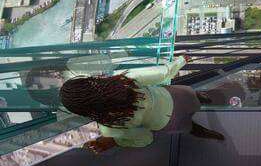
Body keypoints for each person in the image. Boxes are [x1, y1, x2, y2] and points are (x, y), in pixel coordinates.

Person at [60, 56, 224, 153]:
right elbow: (162, 74)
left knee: (194, 129)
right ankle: (213, 99)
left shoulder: (108, 127)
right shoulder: (122, 79)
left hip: (171, 122)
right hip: (178, 96)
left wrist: (116, 142)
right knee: (198, 97)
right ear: (88, 82)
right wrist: (180, 61)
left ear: (83, 111)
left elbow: (145, 139)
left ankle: (215, 136)